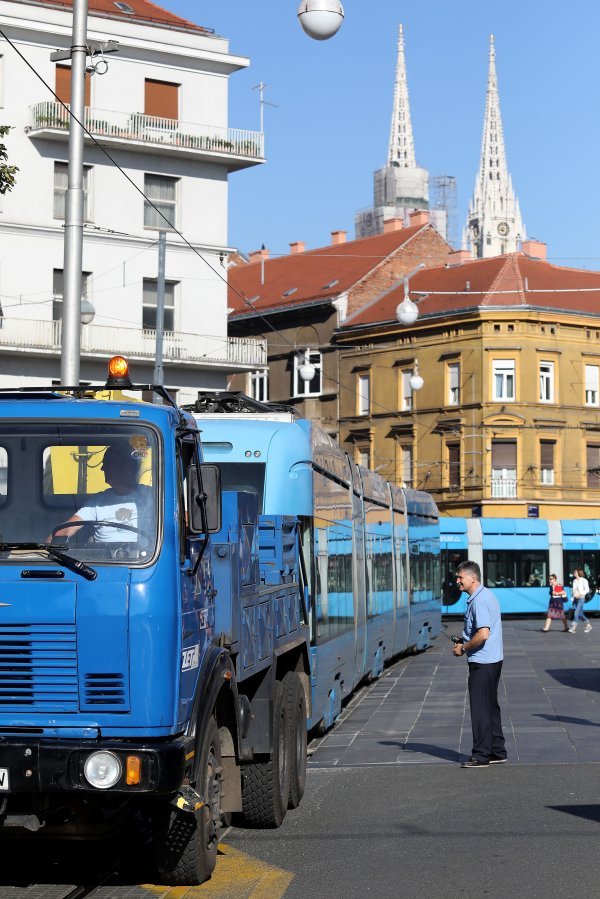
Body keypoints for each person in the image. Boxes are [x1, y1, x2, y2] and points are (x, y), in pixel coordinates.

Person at [452, 560, 506, 768]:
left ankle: (482, 755)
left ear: (472, 577)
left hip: (483, 661)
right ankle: (497, 750)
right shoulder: (486, 595)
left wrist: (463, 648)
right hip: (493, 659)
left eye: (460, 577)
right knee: (491, 706)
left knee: (480, 709)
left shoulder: (479, 601)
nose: (458, 581)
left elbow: (483, 634)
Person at [52, 442, 152, 543]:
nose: (102, 468)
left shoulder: (151, 496)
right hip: (103, 557)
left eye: (108, 463)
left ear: (127, 466)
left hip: (145, 557)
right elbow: (67, 529)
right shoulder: (97, 501)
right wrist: (47, 548)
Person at [569, 568, 592, 634]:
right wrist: (573, 599)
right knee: (580, 614)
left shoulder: (584, 580)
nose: (574, 573)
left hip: (581, 598)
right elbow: (574, 591)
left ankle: (573, 628)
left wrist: (580, 594)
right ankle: (588, 625)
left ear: (579, 573)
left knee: (576, 612)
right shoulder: (574, 581)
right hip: (576, 599)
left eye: (575, 572)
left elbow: (587, 590)